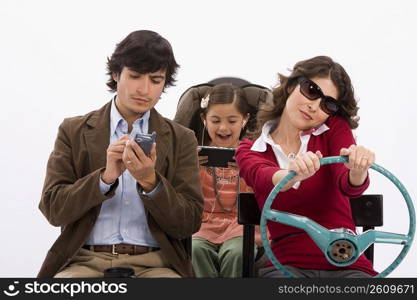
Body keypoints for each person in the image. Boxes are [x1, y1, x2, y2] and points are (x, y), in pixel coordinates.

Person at [38, 30, 204, 278]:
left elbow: (188, 223)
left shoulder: (182, 138)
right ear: (116, 74)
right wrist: (104, 179)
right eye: (135, 76)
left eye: (156, 80)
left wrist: (151, 181)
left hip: (157, 264)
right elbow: (53, 209)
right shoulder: (73, 130)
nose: (144, 89)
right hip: (83, 260)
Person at [235, 56, 378, 278]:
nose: (314, 106)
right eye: (311, 90)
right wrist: (291, 175)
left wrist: (358, 169)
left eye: (327, 104)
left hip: (346, 263)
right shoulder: (250, 149)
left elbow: (348, 184)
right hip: (286, 266)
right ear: (292, 85)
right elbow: (263, 176)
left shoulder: (335, 130)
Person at [175, 83, 268, 277]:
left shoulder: (257, 154)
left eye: (232, 121)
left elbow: (264, 198)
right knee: (196, 250)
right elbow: (180, 198)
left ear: (244, 120)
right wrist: (187, 167)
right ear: (204, 120)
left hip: (242, 227)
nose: (223, 128)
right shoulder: (192, 154)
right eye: (215, 120)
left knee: (237, 253)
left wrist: (248, 171)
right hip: (202, 227)